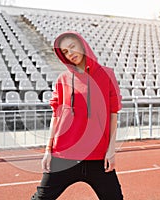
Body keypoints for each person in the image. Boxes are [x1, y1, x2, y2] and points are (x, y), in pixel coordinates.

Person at [31, 31, 123, 200]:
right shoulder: (62, 79)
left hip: (98, 158)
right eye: (65, 51)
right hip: (63, 156)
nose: (70, 53)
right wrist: (48, 150)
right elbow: (56, 117)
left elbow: (113, 114)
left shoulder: (107, 74)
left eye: (72, 47)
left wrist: (111, 151)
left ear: (83, 45)